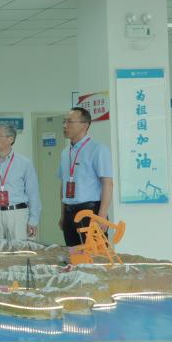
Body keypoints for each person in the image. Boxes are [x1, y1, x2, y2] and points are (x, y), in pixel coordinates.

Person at [57, 107, 113, 251]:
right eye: (64, 121)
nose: (65, 125)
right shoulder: (65, 152)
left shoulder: (98, 149)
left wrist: (102, 215)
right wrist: (63, 214)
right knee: (74, 256)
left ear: (84, 125)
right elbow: (63, 184)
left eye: (69, 122)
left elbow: (107, 183)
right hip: (69, 213)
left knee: (95, 256)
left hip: (90, 212)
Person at [0, 123, 41, 241]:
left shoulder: (25, 164)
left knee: (20, 251)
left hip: (17, 215)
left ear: (11, 139)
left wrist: (33, 220)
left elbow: (33, 194)